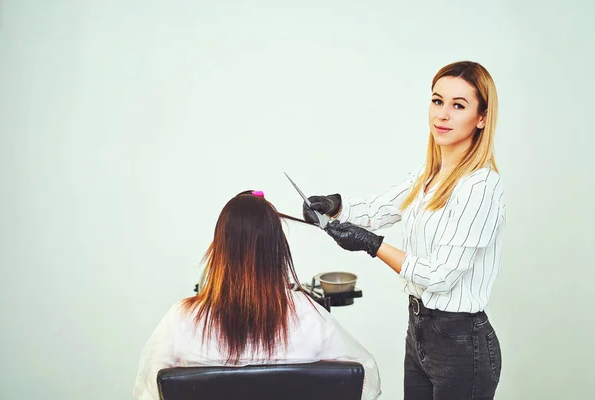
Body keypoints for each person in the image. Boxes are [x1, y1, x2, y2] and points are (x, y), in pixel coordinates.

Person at [303, 61, 505, 399]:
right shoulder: (429, 172)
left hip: (461, 344)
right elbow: (382, 209)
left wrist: (371, 245)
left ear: (482, 118)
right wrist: (335, 205)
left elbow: (440, 276)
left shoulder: (481, 186)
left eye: (458, 105)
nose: (442, 115)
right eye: (437, 101)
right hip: (420, 333)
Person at [133, 190, 381, 400]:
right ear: (277, 249)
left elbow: (148, 393)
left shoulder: (181, 320)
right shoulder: (307, 316)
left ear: (220, 248)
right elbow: (367, 381)